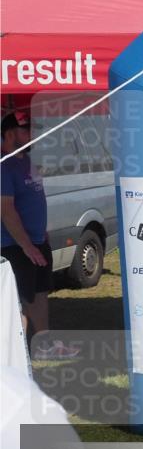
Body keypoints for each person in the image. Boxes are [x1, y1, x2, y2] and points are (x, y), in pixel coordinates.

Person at [1, 111, 63, 357]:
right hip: (15, 245)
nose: (31, 134)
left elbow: (34, 200)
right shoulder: (4, 166)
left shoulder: (25, 160)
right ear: (8, 133)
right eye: (25, 129)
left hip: (37, 241)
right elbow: (6, 210)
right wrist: (26, 246)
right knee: (20, 301)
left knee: (39, 294)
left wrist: (41, 233)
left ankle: (44, 346)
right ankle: (17, 358)